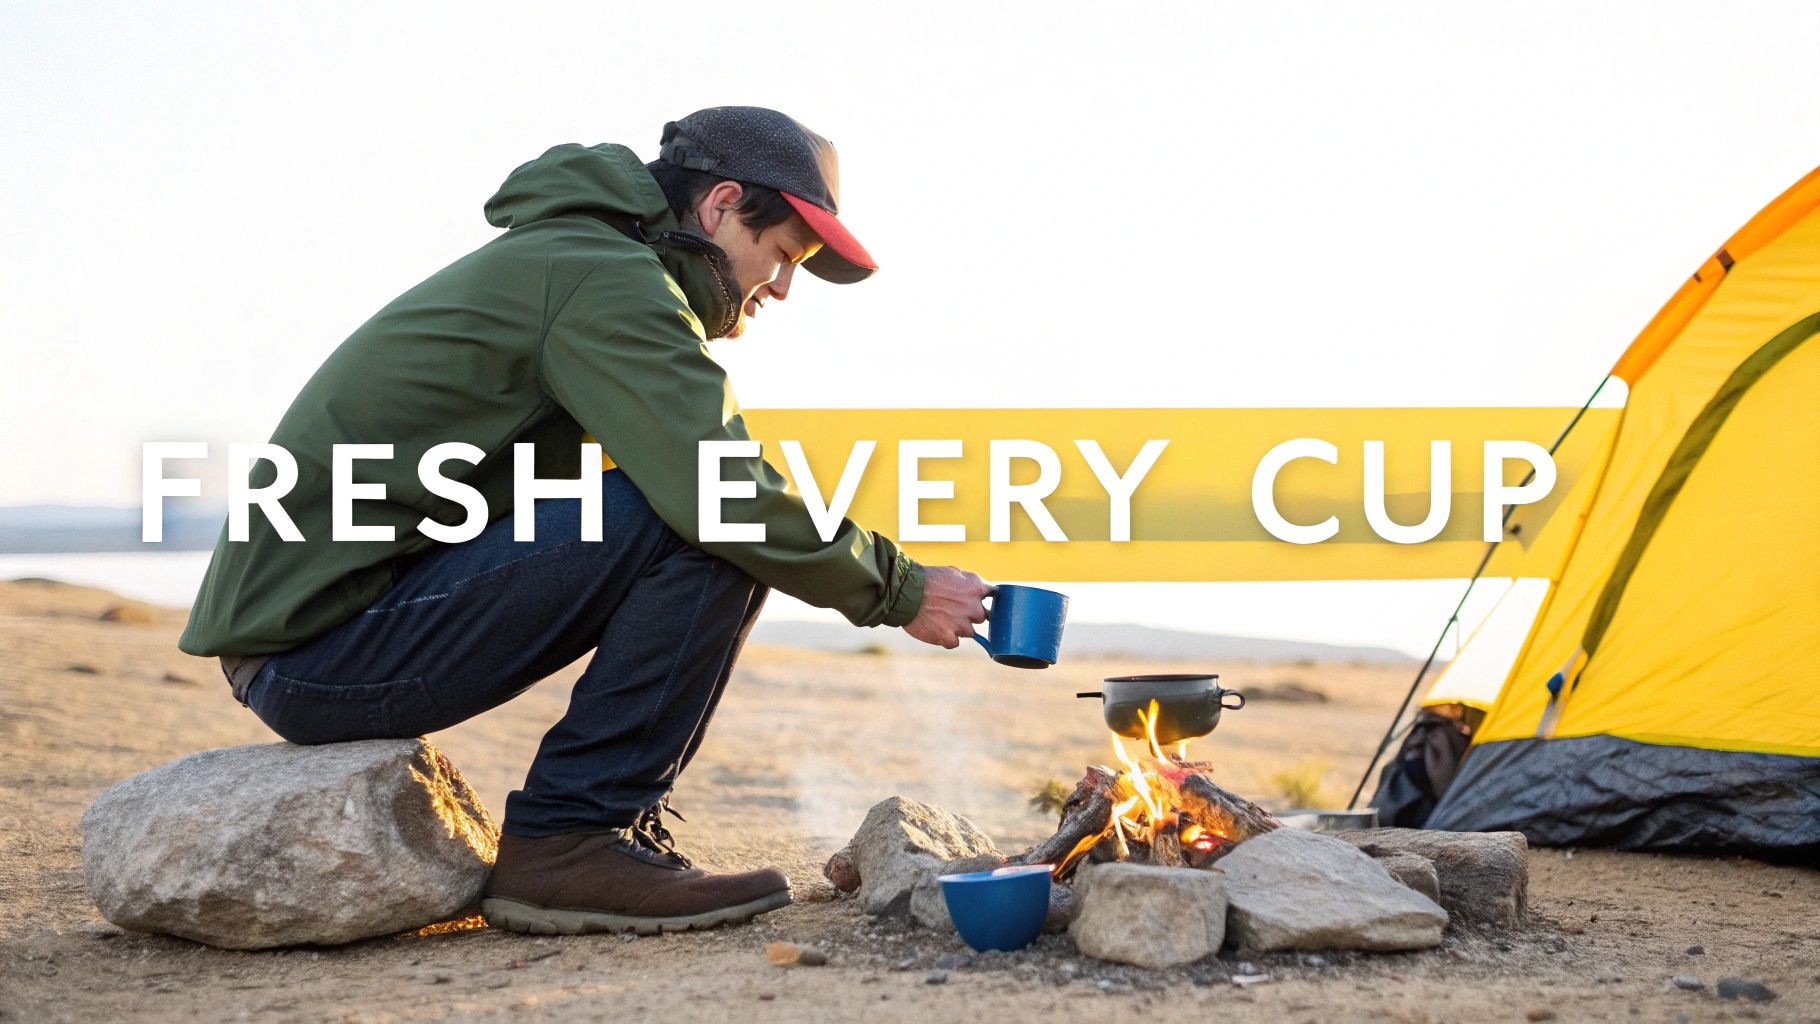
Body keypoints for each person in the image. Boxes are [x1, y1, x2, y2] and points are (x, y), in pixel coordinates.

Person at [177, 106, 993, 935]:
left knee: (680, 500)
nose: (782, 288)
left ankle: (581, 834)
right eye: (783, 254)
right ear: (721, 204)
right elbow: (720, 489)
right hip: (319, 653)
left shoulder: (579, 258)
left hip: (319, 634)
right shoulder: (603, 277)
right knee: (704, 518)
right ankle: (572, 838)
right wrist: (902, 588)